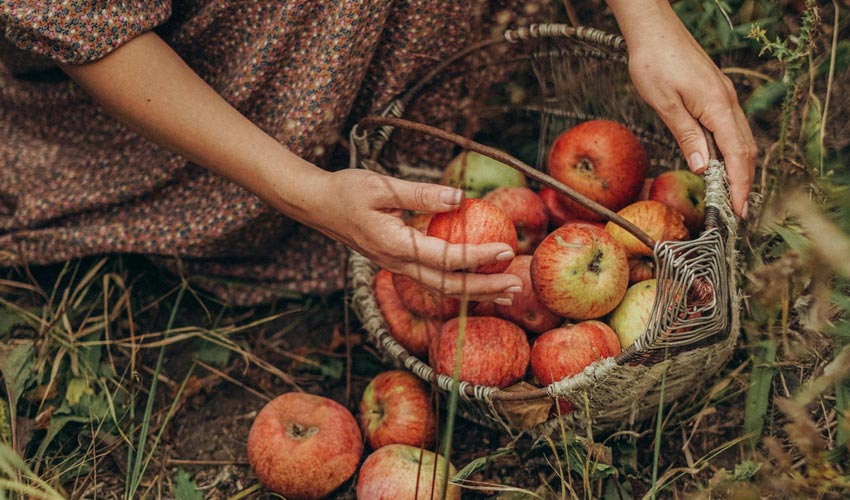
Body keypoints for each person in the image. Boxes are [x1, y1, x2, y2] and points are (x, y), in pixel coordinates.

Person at [0, 1, 756, 307]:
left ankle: (392, 115)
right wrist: (301, 191)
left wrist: (650, 22)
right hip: (210, 79)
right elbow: (88, 25)